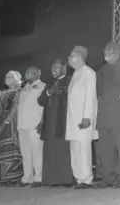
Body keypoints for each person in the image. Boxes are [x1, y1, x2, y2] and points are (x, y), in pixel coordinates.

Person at [95, 42, 120, 189]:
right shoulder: (101, 70)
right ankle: (107, 178)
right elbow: (97, 93)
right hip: (103, 116)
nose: (108, 52)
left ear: (119, 52)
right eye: (106, 49)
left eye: (112, 49)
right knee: (105, 149)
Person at [37, 59, 74, 187]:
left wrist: (62, 95)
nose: (53, 71)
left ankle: (65, 179)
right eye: (52, 69)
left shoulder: (70, 80)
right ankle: (51, 179)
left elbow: (73, 99)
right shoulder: (50, 83)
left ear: (64, 68)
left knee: (63, 150)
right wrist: (48, 92)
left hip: (63, 121)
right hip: (49, 123)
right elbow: (40, 101)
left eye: (56, 68)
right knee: (50, 150)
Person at [66, 45, 99, 189]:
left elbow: (90, 97)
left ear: (79, 57)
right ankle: (79, 178)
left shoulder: (88, 73)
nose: (68, 59)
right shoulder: (75, 73)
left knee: (83, 148)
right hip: (73, 119)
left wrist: (87, 117)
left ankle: (87, 179)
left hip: (83, 119)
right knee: (75, 148)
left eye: (71, 56)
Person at [0, 71, 24, 186]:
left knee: (12, 148)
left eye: (10, 77)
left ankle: (15, 177)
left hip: (12, 122)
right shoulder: (3, 92)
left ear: (17, 79)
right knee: (2, 149)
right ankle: (4, 177)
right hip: (1, 121)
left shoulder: (18, 91)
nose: (6, 79)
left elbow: (15, 108)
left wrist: (7, 121)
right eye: (6, 76)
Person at [17, 67, 46, 187]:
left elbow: (45, 105)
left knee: (37, 152)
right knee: (25, 153)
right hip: (22, 124)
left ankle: (38, 178)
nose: (26, 73)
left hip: (35, 123)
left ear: (38, 74)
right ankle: (27, 177)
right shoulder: (25, 87)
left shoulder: (43, 86)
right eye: (26, 71)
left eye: (29, 72)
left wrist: (42, 121)